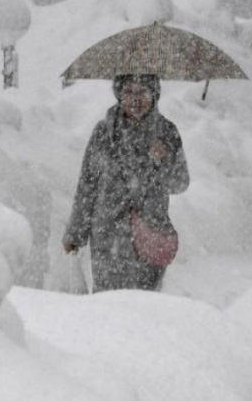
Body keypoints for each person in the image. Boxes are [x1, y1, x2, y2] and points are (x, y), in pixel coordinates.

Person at [62, 73, 190, 292]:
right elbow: (87, 186)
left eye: (143, 91)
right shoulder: (103, 132)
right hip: (107, 237)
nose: (135, 99)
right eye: (129, 91)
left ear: (154, 94)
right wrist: (75, 233)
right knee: (108, 303)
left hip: (150, 234)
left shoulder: (167, 132)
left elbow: (181, 183)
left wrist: (164, 161)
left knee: (146, 304)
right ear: (118, 94)